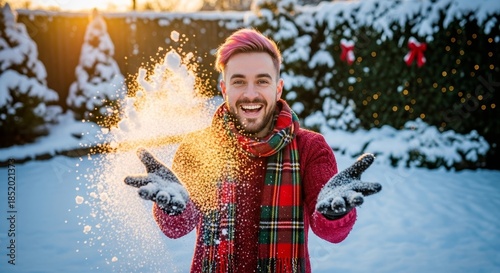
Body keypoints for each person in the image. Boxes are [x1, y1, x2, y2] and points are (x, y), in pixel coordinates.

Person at [124, 28, 382, 273]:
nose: (250, 94)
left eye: (261, 81)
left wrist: (334, 215)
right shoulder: (198, 148)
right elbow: (178, 228)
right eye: (238, 82)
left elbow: (331, 232)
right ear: (224, 89)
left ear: (277, 88)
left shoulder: (310, 148)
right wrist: (174, 210)